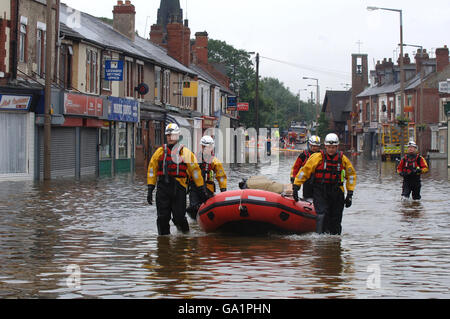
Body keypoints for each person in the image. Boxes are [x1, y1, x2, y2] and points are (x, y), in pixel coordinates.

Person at [147, 123, 208, 235]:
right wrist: (150, 189)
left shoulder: (185, 153)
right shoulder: (159, 152)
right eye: (168, 135)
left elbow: (195, 172)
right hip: (162, 188)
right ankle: (163, 241)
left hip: (179, 189)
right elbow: (152, 170)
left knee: (179, 217)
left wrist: (201, 190)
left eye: (173, 135)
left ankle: (184, 237)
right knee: (162, 218)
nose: (170, 137)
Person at [293, 133, 357, 235]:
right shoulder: (317, 157)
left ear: (337, 147)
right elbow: (304, 172)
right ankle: (320, 240)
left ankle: (335, 242)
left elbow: (351, 176)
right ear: (325, 146)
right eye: (329, 147)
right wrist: (296, 186)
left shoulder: (343, 159)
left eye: (333, 147)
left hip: (337, 191)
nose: (331, 149)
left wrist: (350, 194)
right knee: (322, 214)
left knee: (336, 218)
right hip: (320, 190)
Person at [186, 135, 227, 219]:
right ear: (201, 146)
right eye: (204, 146)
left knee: (208, 209)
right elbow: (188, 173)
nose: (206, 149)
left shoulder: (214, 161)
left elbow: (221, 176)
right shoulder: (194, 159)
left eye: (209, 147)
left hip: (208, 189)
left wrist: (223, 190)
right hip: (194, 188)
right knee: (194, 207)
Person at [290, 135, 321, 200]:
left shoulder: (322, 156)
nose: (315, 148)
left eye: (317, 146)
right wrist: (294, 178)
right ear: (310, 145)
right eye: (313, 146)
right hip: (307, 180)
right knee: (307, 197)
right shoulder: (304, 155)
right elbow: (296, 167)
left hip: (319, 182)